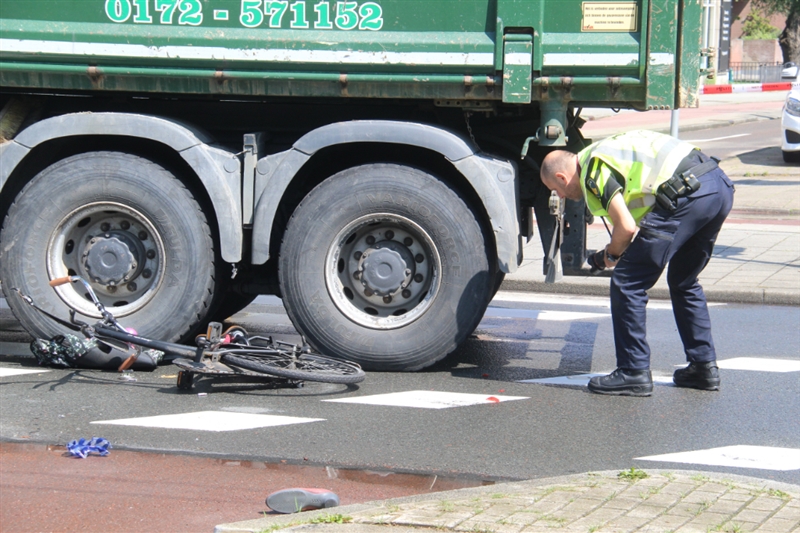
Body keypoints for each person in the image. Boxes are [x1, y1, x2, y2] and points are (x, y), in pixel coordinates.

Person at [540, 130, 734, 396]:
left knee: (627, 282)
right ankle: (703, 368)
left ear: (562, 178)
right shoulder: (607, 149)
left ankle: (633, 371)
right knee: (684, 281)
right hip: (717, 186)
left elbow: (626, 228)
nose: (560, 197)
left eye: (556, 191)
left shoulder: (593, 168)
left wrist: (610, 255)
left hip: (685, 194)